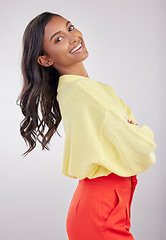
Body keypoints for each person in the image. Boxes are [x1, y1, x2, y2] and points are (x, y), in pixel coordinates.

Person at [18, 12, 157, 240]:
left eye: (70, 28)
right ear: (45, 59)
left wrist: (131, 131)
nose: (73, 37)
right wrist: (138, 132)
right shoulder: (80, 92)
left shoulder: (95, 89)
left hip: (107, 206)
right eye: (58, 39)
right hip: (100, 212)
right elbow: (142, 149)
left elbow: (131, 137)